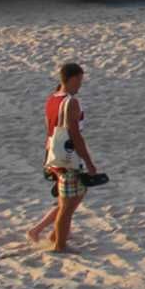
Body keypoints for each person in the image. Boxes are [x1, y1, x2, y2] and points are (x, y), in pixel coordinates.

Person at [27, 62, 99, 253]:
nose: (80, 84)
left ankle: (45, 232)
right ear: (73, 78)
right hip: (68, 157)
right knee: (67, 205)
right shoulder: (71, 102)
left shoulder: (52, 99)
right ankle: (59, 244)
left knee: (74, 196)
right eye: (80, 80)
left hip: (54, 154)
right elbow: (75, 135)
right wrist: (89, 161)